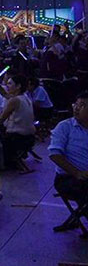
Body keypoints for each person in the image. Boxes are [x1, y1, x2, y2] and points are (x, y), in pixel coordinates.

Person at [48, 93, 88, 232]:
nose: (76, 108)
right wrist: (77, 173)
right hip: (68, 178)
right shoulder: (65, 127)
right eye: (76, 104)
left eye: (82, 105)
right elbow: (54, 154)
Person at [0, 74, 36, 168]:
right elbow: (5, 94)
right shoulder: (25, 97)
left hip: (17, 136)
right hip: (30, 134)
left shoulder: (15, 100)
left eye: (9, 84)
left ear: (18, 86)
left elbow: (1, 118)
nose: (7, 86)